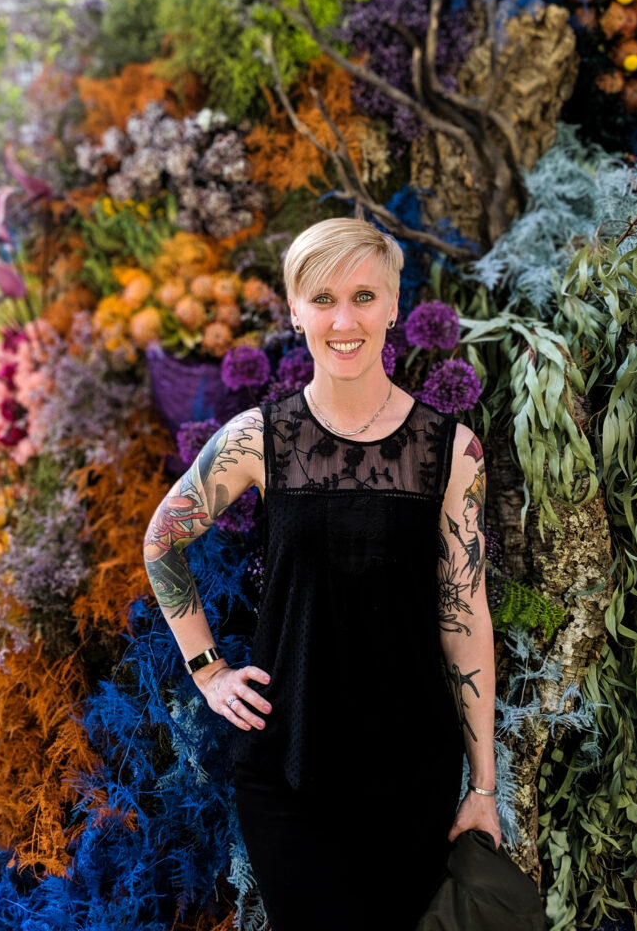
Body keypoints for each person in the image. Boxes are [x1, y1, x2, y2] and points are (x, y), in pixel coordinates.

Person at [143, 217, 501, 931]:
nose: (345, 320)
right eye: (324, 298)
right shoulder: (257, 439)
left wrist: (483, 784)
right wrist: (209, 670)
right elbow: (161, 541)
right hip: (288, 766)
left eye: (365, 296)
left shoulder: (451, 452)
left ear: (396, 306)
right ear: (296, 310)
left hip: (411, 771)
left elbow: (465, 616)